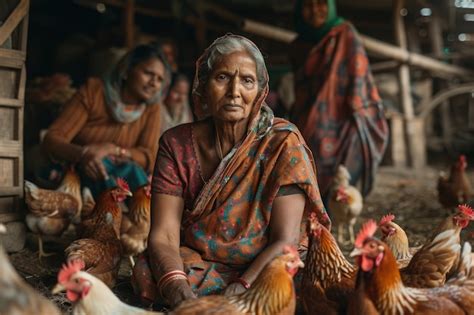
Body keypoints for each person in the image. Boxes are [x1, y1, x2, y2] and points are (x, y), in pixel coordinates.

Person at [131, 34, 330, 309]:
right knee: (148, 270)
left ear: (260, 91)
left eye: (247, 80)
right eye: (222, 78)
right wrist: (177, 286)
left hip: (265, 263)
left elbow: (286, 239)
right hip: (202, 261)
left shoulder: (283, 143)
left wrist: (241, 288)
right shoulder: (175, 145)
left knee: (300, 283)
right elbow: (164, 234)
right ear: (203, 86)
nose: (234, 91)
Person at [289, 0, 389, 198]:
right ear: (300, 11)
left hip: (343, 115)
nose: (315, 10)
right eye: (307, 6)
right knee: (304, 167)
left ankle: (331, 220)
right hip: (306, 116)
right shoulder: (297, 45)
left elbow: (359, 75)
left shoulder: (345, 34)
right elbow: (299, 86)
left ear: (330, 7)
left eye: (321, 4)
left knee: (340, 185)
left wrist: (356, 108)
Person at [41, 44, 170, 196]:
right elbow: (52, 139)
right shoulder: (93, 92)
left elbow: (150, 157)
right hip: (80, 172)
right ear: (127, 70)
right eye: (148, 73)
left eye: (160, 79)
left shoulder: (151, 108)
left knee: (136, 177)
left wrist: (114, 150)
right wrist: (83, 154)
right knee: (100, 172)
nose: (154, 83)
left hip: (122, 178)